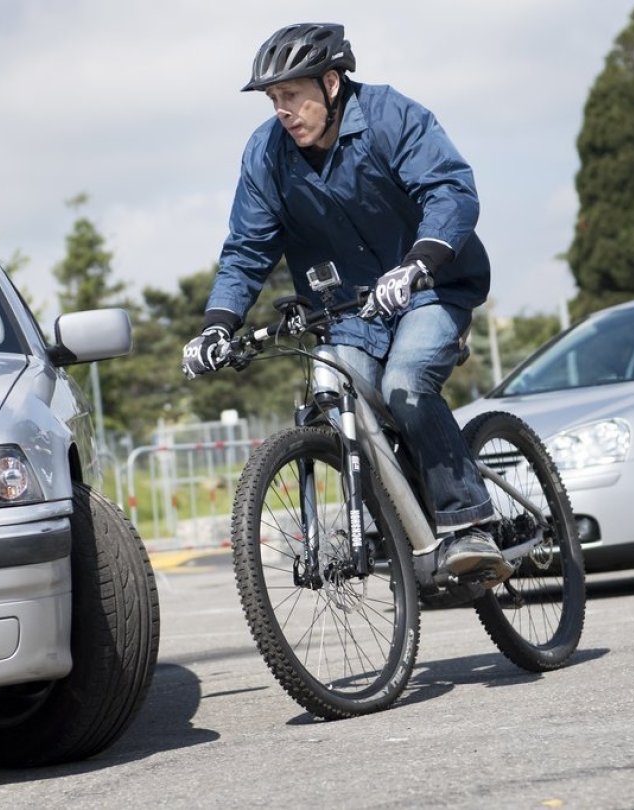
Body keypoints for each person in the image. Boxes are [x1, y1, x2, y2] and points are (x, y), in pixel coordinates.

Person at [181, 22, 509, 582]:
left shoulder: (390, 117)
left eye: (291, 95)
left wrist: (419, 262)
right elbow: (247, 248)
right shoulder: (266, 154)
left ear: (331, 83)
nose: (282, 110)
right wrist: (217, 324)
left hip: (432, 286)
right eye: (273, 99)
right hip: (351, 313)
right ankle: (404, 522)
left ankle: (469, 523)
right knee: (344, 398)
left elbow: (449, 190)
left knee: (404, 384)